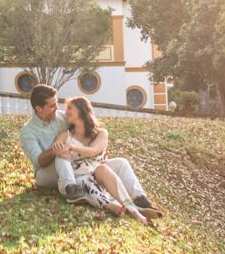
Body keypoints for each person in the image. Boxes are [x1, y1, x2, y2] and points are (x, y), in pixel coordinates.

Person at [19, 83, 164, 221]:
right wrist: (55, 151)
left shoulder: (63, 117)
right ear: (39, 108)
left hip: (79, 165)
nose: (57, 108)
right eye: (52, 105)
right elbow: (39, 161)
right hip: (48, 172)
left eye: (57, 103)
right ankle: (75, 190)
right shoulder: (28, 131)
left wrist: (98, 152)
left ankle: (140, 198)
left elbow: (84, 129)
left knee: (121, 163)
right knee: (62, 157)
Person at [61, 94, 156, 225]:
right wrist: (59, 150)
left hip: (98, 170)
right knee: (88, 181)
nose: (66, 112)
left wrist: (72, 147)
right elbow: (57, 152)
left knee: (121, 162)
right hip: (80, 176)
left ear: (81, 110)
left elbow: (94, 151)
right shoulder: (65, 135)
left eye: (70, 108)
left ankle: (140, 199)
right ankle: (128, 209)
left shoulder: (101, 133)